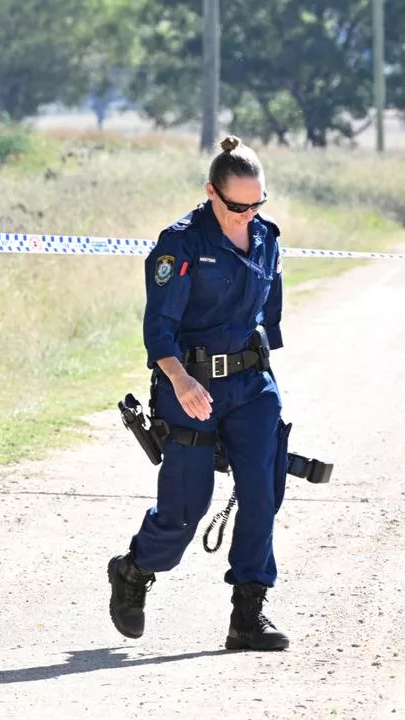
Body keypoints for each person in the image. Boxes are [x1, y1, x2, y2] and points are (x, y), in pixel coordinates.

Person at [108, 135, 289, 651]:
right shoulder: (180, 243)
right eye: (237, 206)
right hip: (190, 385)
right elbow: (158, 329)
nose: (247, 215)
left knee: (261, 494)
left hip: (252, 387)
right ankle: (135, 569)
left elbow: (266, 310)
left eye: (257, 204)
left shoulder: (266, 236)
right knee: (185, 510)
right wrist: (181, 382)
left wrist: (264, 370)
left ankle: (247, 616)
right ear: (211, 191)